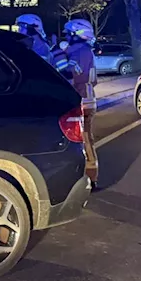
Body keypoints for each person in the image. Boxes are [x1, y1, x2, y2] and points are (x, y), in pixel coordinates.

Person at [55, 18, 99, 187]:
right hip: (84, 100)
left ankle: (89, 178)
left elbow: (69, 75)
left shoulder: (81, 52)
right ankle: (87, 176)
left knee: (84, 139)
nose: (65, 37)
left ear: (77, 34)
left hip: (82, 101)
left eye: (68, 34)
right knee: (84, 139)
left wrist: (58, 54)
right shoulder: (83, 50)